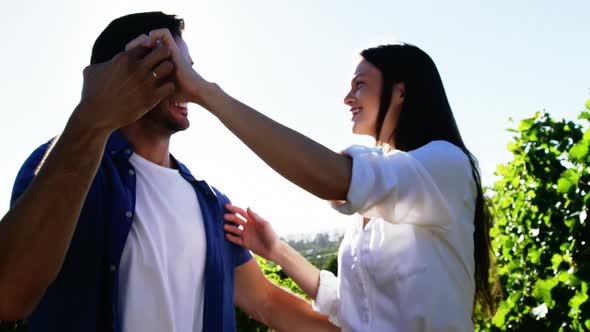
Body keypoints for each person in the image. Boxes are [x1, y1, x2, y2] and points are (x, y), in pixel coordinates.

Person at [131, 30, 498, 331]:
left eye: (360, 85)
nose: (347, 98)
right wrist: (277, 251)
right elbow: (350, 310)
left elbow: (335, 180)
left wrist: (205, 92)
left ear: (400, 92)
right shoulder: (382, 196)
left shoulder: (445, 165)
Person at [0, 12, 338, 332]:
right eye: (177, 67)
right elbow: (8, 294)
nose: (190, 85)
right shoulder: (63, 162)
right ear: (127, 69)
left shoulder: (212, 204)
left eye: (191, 70)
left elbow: (266, 301)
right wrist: (92, 118)